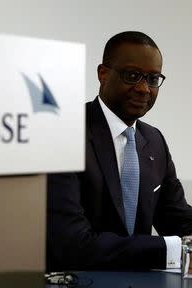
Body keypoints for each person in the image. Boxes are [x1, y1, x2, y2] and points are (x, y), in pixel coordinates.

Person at [47, 31, 192, 271]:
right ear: (103, 74)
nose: (144, 89)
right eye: (133, 76)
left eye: (153, 79)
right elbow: (73, 244)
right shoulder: (65, 133)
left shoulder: (154, 140)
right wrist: (173, 249)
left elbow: (177, 217)